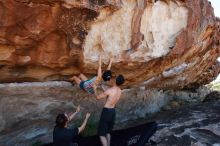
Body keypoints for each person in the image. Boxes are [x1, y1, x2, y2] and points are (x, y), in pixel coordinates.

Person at [94, 74, 125, 146]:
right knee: (108, 132)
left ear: (115, 80)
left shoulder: (110, 90)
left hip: (106, 112)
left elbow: (98, 97)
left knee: (101, 134)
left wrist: (95, 89)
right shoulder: (120, 91)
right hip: (113, 111)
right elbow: (110, 96)